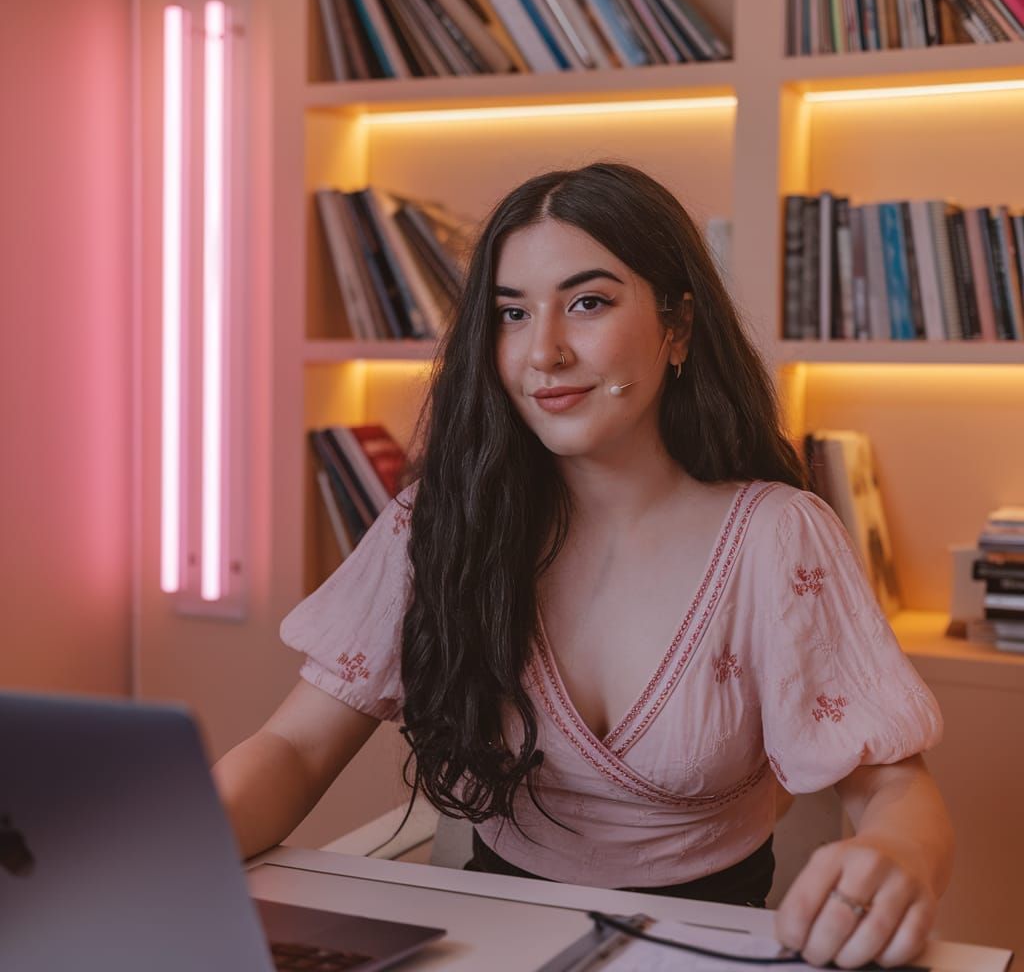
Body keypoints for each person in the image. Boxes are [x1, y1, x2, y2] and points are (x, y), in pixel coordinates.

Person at [213, 162, 953, 969]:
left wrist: (898, 854)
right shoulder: (438, 525)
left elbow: (893, 789)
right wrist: (165, 840)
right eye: (511, 314)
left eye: (589, 303)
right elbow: (296, 748)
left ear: (678, 327)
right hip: (490, 945)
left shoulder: (777, 537)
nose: (545, 351)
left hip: (705, 950)